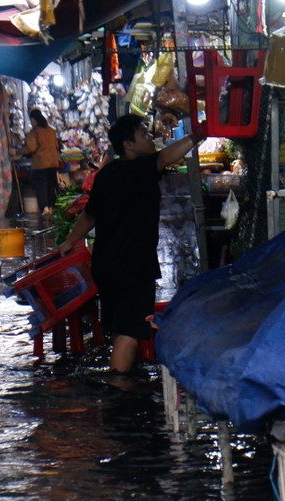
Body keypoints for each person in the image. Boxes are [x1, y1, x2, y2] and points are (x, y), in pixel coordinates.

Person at [58, 115, 205, 375]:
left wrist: (70, 240)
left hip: (106, 264)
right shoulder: (142, 168)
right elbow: (166, 156)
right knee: (130, 331)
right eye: (143, 134)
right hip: (133, 265)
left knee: (121, 327)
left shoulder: (106, 174)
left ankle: (124, 378)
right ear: (128, 144)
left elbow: (89, 216)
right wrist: (197, 135)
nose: (150, 138)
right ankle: (118, 388)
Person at [23, 109, 61, 217]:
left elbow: (31, 148)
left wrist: (17, 152)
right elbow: (57, 146)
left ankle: (45, 208)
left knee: (41, 187)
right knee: (50, 186)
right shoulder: (51, 130)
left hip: (40, 164)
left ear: (33, 120)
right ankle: (51, 207)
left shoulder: (35, 132)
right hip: (53, 163)